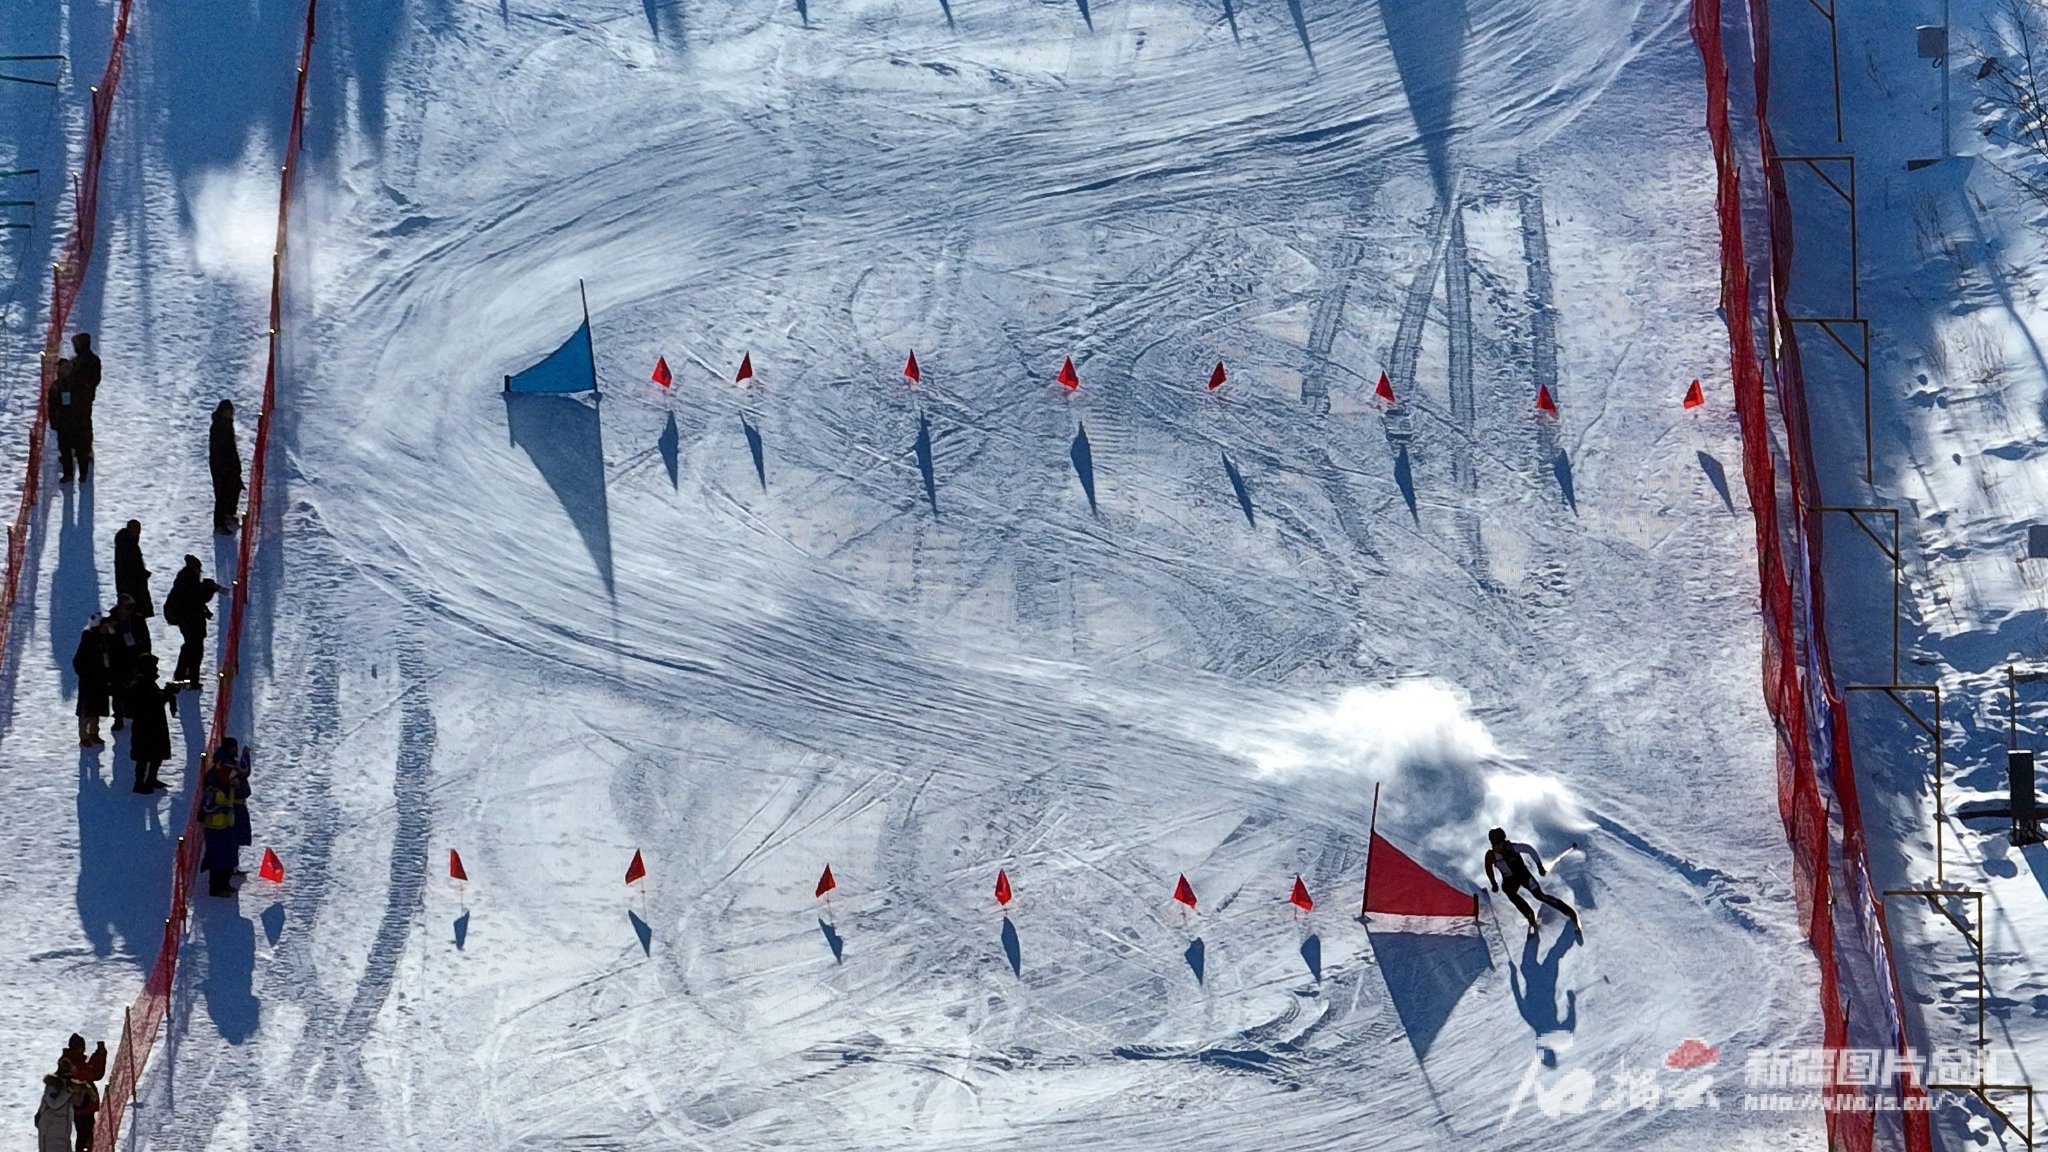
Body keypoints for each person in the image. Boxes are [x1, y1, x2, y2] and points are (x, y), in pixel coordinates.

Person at [1484, 826, 1580, 939]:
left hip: (1524, 876)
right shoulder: (1491, 855)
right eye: (1494, 844)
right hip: (1510, 880)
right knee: (1508, 891)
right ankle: (1529, 915)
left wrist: (1539, 866)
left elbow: (1529, 849)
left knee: (1539, 896)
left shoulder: (1513, 848)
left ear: (1503, 841)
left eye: (1498, 843)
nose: (1496, 847)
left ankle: (1568, 911)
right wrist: (1494, 883)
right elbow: (1488, 869)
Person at [161, 556, 220, 689]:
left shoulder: (185, 580)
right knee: (194, 650)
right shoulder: (189, 582)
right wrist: (209, 590)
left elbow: (196, 601)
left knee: (190, 648)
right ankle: (190, 679)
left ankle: (184, 677)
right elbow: (197, 599)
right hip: (191, 622)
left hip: (188, 621)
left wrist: (205, 611)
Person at [123, 653, 176, 793]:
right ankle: (139, 783)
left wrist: (165, 693)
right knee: (144, 756)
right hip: (146, 726)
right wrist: (167, 694)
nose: (156, 670)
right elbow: (154, 703)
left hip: (152, 724)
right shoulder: (141, 684)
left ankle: (151, 779)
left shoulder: (145, 683)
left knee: (155, 754)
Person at [51, 333, 99, 483]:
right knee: (77, 438)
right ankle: (77, 464)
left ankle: (82, 463)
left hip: (79, 406)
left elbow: (90, 381)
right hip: (76, 408)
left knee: (79, 437)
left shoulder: (89, 362)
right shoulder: (78, 362)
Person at [105, 593, 151, 731]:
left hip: (134, 659)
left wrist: (145, 656)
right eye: (128, 607)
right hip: (117, 660)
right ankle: (118, 717)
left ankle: (133, 712)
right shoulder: (111, 621)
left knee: (135, 687)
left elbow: (146, 638)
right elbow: (106, 642)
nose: (130, 610)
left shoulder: (137, 619)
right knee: (117, 690)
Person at [200, 756, 244, 896]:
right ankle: (215, 888)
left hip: (227, 827)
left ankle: (225, 884)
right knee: (216, 860)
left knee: (228, 858)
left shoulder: (229, 788)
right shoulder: (212, 791)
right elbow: (205, 809)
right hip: (214, 830)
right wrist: (220, 809)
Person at [70, 614, 113, 748]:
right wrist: (86, 674)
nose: (106, 627)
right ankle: (84, 735)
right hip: (89, 681)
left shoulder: (105, 639)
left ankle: (94, 732)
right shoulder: (89, 639)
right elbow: (78, 661)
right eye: (103, 625)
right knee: (86, 711)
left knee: (97, 709)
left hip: (101, 680)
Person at [60, 1034, 103, 1152]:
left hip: (82, 1106)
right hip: (81, 1107)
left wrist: (99, 1054)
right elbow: (91, 1074)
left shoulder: (70, 1060)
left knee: (85, 1135)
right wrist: (100, 1055)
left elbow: (92, 1073)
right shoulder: (70, 1062)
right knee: (84, 1136)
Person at [209, 399, 242, 535]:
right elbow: (218, 450)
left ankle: (229, 513)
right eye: (227, 411)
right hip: (220, 466)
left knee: (235, 488)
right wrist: (223, 468)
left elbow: (231, 447)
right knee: (222, 494)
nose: (230, 414)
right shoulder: (217, 427)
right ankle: (219, 523)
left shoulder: (228, 424)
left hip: (230, 464)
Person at [34, 1058, 81, 1152]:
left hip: (63, 1131)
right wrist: (69, 1091)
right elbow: (54, 1104)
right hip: (50, 1130)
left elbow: (77, 1102)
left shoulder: (67, 1086)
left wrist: (81, 1091)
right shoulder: (53, 1085)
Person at [113, 519, 154, 618]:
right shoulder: (128, 545)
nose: (138, 533)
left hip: (131, 589)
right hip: (132, 590)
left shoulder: (127, 544)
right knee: (134, 617)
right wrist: (141, 574)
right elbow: (129, 568)